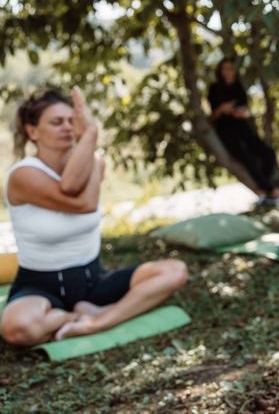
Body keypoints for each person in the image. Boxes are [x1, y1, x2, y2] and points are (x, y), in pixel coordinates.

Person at [1, 89, 188, 345]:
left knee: (175, 271)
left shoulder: (95, 163)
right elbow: (80, 201)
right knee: (17, 329)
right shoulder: (23, 175)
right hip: (39, 284)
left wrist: (89, 150)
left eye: (71, 121)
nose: (67, 127)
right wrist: (89, 135)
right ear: (32, 131)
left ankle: (98, 321)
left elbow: (78, 189)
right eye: (57, 122)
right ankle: (71, 316)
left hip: (92, 279)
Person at [208, 58, 279, 207]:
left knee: (268, 153)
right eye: (225, 68)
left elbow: (245, 110)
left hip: (242, 127)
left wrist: (238, 112)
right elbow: (212, 115)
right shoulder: (214, 88)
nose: (228, 72)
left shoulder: (238, 87)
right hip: (225, 130)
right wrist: (222, 109)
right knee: (246, 158)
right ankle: (273, 191)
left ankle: (263, 190)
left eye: (230, 68)